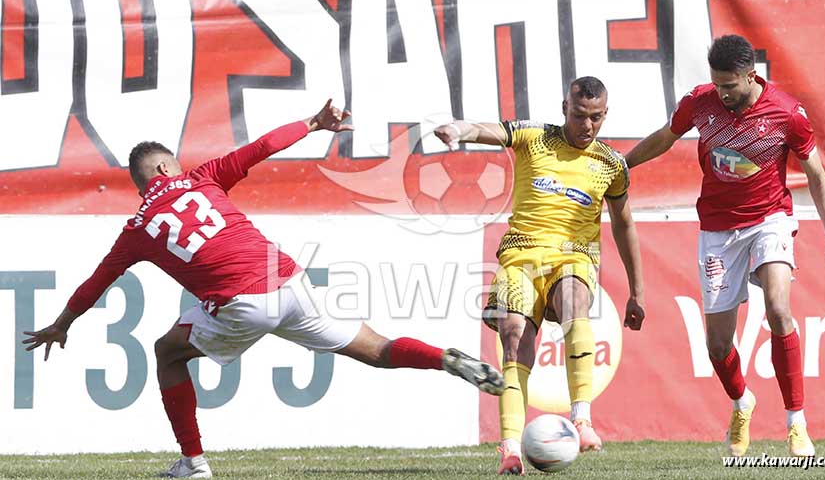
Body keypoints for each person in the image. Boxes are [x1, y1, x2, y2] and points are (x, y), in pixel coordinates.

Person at [22, 100, 505, 479]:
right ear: (166, 169)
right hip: (290, 281)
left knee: (167, 354)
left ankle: (193, 463)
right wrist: (312, 124)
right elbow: (260, 148)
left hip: (243, 303)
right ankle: (443, 358)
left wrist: (61, 325)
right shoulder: (202, 178)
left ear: (143, 183)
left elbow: (95, 284)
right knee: (375, 349)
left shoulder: (137, 229)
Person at [625, 35, 825, 458]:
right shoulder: (700, 102)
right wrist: (624, 164)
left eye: (729, 85)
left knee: (779, 309)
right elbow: (665, 137)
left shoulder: (786, 113)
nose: (722, 93)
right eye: (717, 83)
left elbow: (817, 175)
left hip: (769, 219)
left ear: (751, 76)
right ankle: (741, 402)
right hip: (718, 228)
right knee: (717, 345)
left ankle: (796, 422)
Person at [435, 76, 646, 475]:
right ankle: (511, 449)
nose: (587, 125)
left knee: (572, 298)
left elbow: (624, 225)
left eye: (596, 117)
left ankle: (581, 418)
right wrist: (459, 129)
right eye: (579, 115)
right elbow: (490, 131)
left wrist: (637, 290)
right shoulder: (535, 137)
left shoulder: (611, 164)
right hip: (521, 257)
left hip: (574, 255)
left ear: (605, 114)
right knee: (515, 338)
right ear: (565, 108)